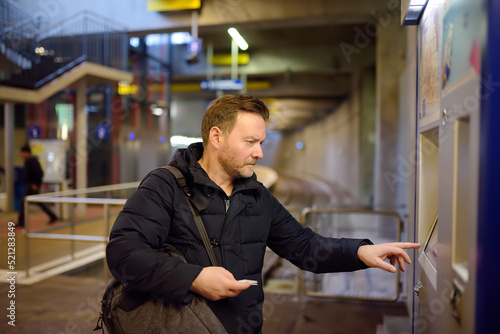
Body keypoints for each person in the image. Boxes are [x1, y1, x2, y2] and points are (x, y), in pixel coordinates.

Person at [106, 95, 420, 333]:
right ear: (217, 138)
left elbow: (303, 246)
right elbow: (123, 253)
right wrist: (195, 278)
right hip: (186, 325)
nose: (259, 152)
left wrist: (361, 251)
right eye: (250, 142)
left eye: (261, 143)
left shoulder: (256, 196)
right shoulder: (165, 186)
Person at [16, 145, 58, 227]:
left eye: (23, 153)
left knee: (23, 203)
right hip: (31, 185)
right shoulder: (30, 161)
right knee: (37, 202)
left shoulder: (31, 161)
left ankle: (21, 222)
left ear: (26, 153)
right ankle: (52, 216)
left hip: (31, 185)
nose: (21, 155)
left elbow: (39, 173)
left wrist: (35, 184)